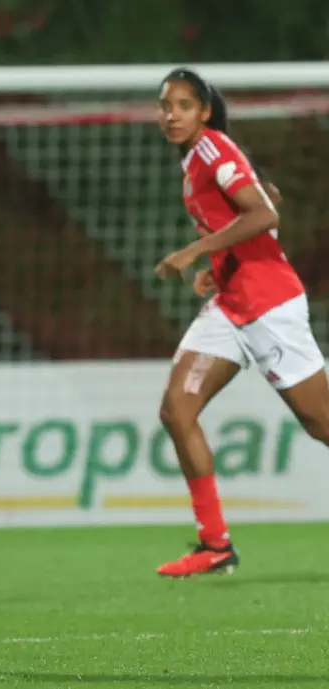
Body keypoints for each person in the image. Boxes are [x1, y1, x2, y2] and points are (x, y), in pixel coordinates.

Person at [152, 67, 329, 577]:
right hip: (232, 302)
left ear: (204, 110)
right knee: (176, 409)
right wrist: (218, 268)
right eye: (165, 106)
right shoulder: (197, 159)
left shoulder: (212, 149)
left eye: (183, 105)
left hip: (269, 305)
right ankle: (215, 545)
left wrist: (193, 252)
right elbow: (259, 201)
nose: (171, 115)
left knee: (321, 424)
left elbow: (264, 214)